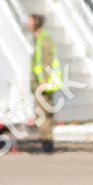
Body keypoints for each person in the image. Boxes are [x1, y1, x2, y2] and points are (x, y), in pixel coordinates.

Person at [27, 13, 62, 153]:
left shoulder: (44, 39)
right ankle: (48, 142)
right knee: (45, 113)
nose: (27, 24)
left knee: (42, 114)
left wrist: (45, 81)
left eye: (30, 21)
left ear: (36, 23)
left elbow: (46, 61)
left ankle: (47, 144)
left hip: (44, 84)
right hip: (40, 83)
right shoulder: (38, 39)